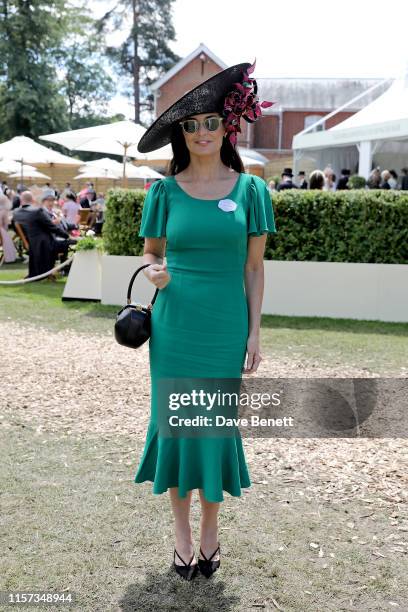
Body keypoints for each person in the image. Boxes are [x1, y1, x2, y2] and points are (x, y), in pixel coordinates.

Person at [135, 59, 276, 581]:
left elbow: (254, 269)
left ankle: (212, 534)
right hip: (174, 326)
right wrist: (156, 273)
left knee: (214, 427)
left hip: (223, 328)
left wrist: (255, 329)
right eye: (190, 126)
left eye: (210, 122)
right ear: (181, 134)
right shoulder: (163, 192)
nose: (201, 133)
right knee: (176, 425)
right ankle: (182, 537)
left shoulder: (251, 191)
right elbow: (151, 253)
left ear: (227, 125)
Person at [13, 190, 69, 279]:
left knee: (65, 242)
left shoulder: (16, 213)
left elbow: (16, 228)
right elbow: (52, 227)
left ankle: (56, 271)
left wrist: (25, 241)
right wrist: (67, 236)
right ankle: (64, 270)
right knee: (68, 243)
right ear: (32, 200)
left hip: (29, 244)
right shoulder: (37, 211)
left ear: (21, 200)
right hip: (45, 245)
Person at [0, 194, 18, 263]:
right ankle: (10, 258)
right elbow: (6, 224)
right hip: (2, 229)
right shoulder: (4, 211)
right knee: (8, 242)